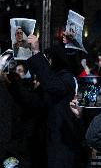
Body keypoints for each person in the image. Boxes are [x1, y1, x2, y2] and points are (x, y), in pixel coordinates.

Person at [27, 34, 88, 168]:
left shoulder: (67, 77)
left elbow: (53, 85)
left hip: (64, 143)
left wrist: (37, 52)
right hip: (53, 140)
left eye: (47, 59)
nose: (46, 63)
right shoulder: (58, 77)